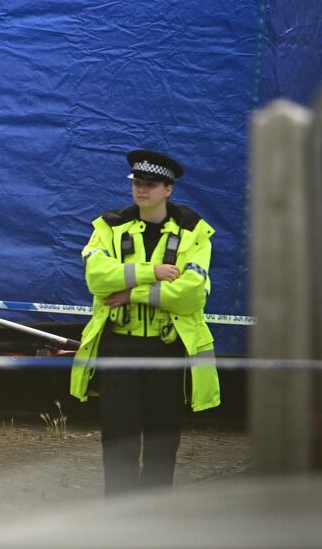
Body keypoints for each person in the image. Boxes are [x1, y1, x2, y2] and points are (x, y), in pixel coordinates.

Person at [70, 149, 220, 496]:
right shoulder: (108, 226)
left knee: (162, 437)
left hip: (167, 348)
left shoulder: (193, 231)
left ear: (168, 189)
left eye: (151, 184)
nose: (142, 189)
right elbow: (97, 277)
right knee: (118, 435)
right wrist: (152, 273)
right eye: (137, 182)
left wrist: (132, 293)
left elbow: (191, 294)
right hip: (120, 345)